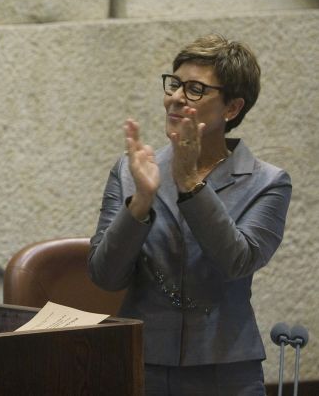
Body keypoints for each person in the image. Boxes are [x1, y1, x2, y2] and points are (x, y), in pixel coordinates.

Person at [89, 34, 291, 395]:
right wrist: (141, 202)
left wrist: (190, 183)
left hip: (225, 367)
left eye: (196, 89)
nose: (176, 97)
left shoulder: (267, 182)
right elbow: (105, 276)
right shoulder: (131, 170)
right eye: (175, 84)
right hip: (141, 361)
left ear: (231, 108)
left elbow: (237, 261)